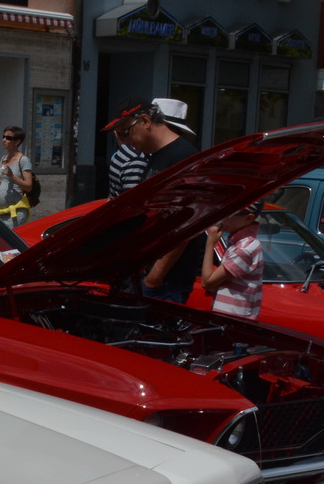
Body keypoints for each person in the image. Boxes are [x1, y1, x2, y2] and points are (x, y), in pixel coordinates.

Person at [102, 97, 200, 299]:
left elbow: (185, 224)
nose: (125, 141)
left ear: (145, 121)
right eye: (119, 136)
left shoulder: (182, 158)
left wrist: (154, 277)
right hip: (149, 275)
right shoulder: (156, 156)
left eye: (125, 132)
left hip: (166, 281)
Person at [199, 201, 264, 319]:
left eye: (229, 215)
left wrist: (210, 243)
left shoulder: (244, 249)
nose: (223, 219)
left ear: (249, 219)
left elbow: (207, 282)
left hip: (233, 317)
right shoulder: (241, 243)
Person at [0, 126, 34, 227]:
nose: (4, 140)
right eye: (3, 137)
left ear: (17, 142)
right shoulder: (4, 158)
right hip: (1, 211)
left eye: (8, 138)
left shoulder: (23, 160)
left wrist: (12, 176)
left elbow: (28, 186)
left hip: (15, 213)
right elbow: (3, 184)